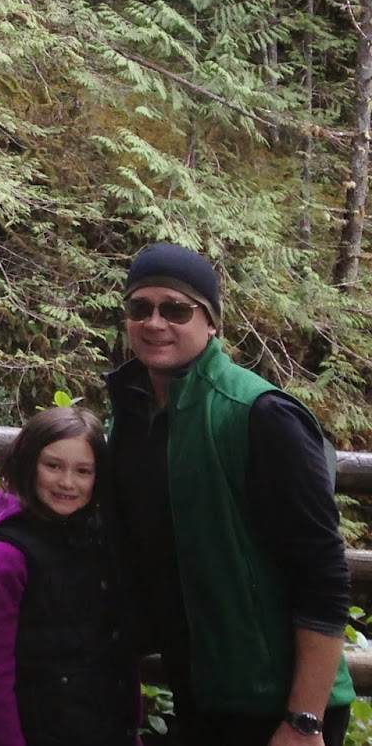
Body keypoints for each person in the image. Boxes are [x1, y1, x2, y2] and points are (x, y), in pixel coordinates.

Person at [107, 242, 353, 746]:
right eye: (140, 307)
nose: (154, 322)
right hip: (201, 691)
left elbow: (323, 573)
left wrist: (304, 718)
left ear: (212, 323)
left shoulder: (260, 415)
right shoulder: (132, 416)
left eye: (176, 309)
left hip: (280, 705)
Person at [0, 405, 140, 746]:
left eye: (83, 471)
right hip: (36, 730)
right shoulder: (6, 557)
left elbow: (119, 649)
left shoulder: (99, 539)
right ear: (29, 463)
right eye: (53, 466)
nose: (67, 482)